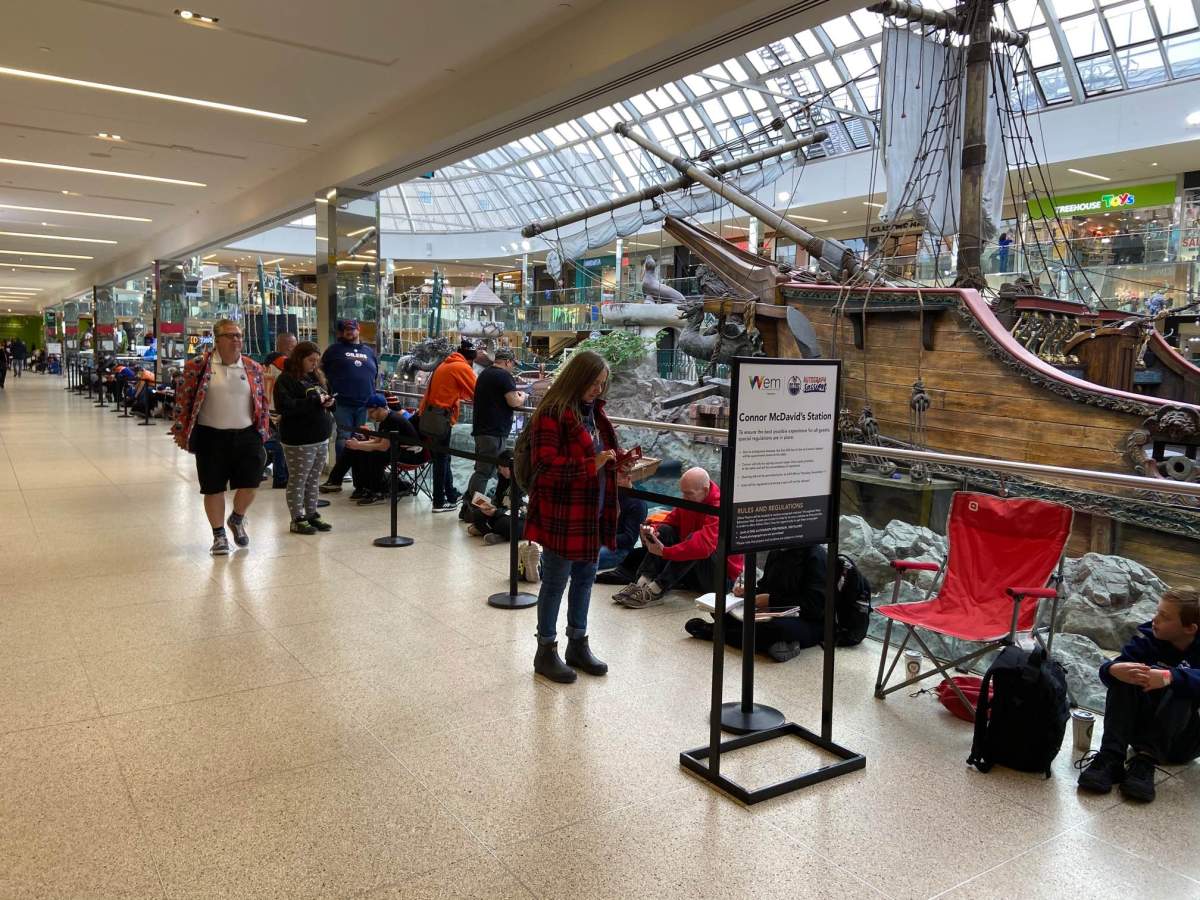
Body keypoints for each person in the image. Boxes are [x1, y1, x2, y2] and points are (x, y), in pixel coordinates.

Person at [525, 349, 621, 683]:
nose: (598, 390)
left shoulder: (595, 412)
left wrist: (618, 464)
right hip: (563, 513)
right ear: (577, 378)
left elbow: (602, 453)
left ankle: (577, 643)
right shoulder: (552, 413)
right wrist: (588, 465)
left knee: (585, 578)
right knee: (555, 581)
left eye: (602, 384)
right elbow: (544, 468)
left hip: (593, 509)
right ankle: (546, 650)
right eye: (593, 383)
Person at [1078, 588, 1200, 803]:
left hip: (1181, 742)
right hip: (1140, 732)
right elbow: (1114, 669)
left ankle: (1145, 763)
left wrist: (1170, 676)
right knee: (1128, 675)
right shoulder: (1148, 639)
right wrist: (1112, 670)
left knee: (1182, 685)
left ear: (1190, 628)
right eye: (1157, 612)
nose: (1155, 619)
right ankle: (1111, 757)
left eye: (1165, 617)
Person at [172, 318, 270, 556]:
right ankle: (218, 536)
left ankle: (237, 518)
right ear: (217, 340)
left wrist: (264, 428)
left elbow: (261, 401)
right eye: (231, 335)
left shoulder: (252, 368)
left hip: (247, 434)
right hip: (210, 436)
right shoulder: (198, 366)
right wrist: (182, 431)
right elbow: (183, 399)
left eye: (239, 335)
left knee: (251, 482)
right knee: (213, 487)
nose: (236, 340)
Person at [612, 467, 744, 609]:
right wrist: (652, 532)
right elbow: (669, 521)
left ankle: (657, 588)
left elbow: (703, 547)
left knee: (696, 542)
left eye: (688, 494)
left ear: (705, 491)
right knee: (665, 531)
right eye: (683, 493)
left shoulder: (719, 507)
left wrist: (665, 552)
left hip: (719, 580)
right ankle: (642, 582)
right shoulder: (692, 499)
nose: (684, 498)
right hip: (691, 572)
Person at [684, 544, 828, 662]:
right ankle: (767, 644)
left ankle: (716, 633)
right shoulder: (778, 550)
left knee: (775, 629)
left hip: (806, 620)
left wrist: (770, 600)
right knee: (720, 609)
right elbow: (766, 586)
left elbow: (814, 606)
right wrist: (749, 592)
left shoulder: (815, 556)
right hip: (770, 611)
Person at [274, 341, 336, 535]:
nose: (314, 364)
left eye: (317, 361)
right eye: (310, 360)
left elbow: (326, 399)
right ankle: (297, 518)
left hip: (320, 436)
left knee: (313, 479)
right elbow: (285, 407)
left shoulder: (317, 377)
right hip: (299, 439)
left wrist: (330, 403)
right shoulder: (286, 379)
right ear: (299, 359)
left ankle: (311, 514)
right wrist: (313, 401)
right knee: (299, 479)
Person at [461, 347, 525, 520]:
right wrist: (523, 396)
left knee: (483, 469)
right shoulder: (504, 376)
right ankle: (474, 510)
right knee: (484, 472)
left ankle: (471, 507)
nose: (513, 368)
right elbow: (513, 401)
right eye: (513, 364)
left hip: (483, 429)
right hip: (493, 432)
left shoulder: (485, 374)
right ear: (508, 362)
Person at [418, 339, 477, 512]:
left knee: (443, 457)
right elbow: (476, 391)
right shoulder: (461, 367)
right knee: (441, 459)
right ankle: (438, 502)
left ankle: (450, 495)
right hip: (441, 417)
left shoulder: (446, 364)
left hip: (430, 415)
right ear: (471, 360)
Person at [320, 319, 379, 490]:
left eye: (352, 329)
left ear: (358, 330)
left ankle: (361, 476)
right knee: (344, 438)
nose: (349, 332)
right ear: (340, 332)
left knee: (364, 438)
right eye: (345, 330)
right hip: (343, 402)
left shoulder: (369, 351)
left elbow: (374, 375)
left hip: (366, 404)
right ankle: (340, 474)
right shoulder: (333, 350)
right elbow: (321, 373)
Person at [337, 394, 425, 504]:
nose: (369, 415)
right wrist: (358, 444)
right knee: (359, 451)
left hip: (412, 455)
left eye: (371, 412)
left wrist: (358, 445)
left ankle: (377, 492)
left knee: (375, 454)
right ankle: (362, 487)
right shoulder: (385, 419)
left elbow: (383, 446)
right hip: (399, 450)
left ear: (379, 409)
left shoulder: (393, 420)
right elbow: (377, 440)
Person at [262, 332, 296, 489]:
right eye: (294, 345)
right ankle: (281, 477)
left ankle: (260, 468)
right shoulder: (284, 363)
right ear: (289, 346)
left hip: (268, 408)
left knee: (273, 443)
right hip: (280, 408)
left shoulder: (267, 363)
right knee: (281, 445)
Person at [467, 450, 524, 544]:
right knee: (477, 514)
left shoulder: (522, 482)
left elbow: (522, 511)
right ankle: (494, 535)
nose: (500, 470)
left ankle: (489, 531)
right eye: (499, 467)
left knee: (504, 524)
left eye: (502, 467)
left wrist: (496, 512)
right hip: (501, 514)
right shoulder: (503, 479)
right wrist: (489, 506)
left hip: (517, 518)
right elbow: (498, 500)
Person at [597, 471, 647, 574]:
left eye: (617, 481)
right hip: (602, 539)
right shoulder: (609, 493)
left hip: (620, 550)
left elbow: (629, 538)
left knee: (582, 560)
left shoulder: (638, 504)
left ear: (628, 478)